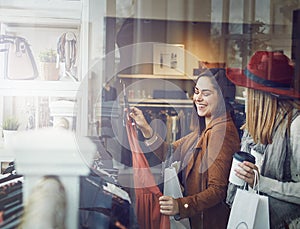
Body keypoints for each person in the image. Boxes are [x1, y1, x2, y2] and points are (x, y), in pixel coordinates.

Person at [129, 68, 240, 229]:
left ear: (222, 98)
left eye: (206, 93)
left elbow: (218, 191)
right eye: (196, 92)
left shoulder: (221, 133)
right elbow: (170, 152)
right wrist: (146, 129)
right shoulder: (203, 130)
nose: (198, 98)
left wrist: (182, 206)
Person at [226, 50, 300, 228]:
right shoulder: (254, 125)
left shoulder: (295, 126)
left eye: (247, 89)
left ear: (262, 94)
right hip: (254, 218)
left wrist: (260, 182)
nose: (244, 95)